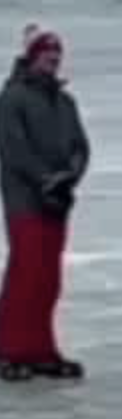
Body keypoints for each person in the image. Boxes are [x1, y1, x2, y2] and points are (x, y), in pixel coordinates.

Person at [0, 26, 90, 381]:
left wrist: (69, 177)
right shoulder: (12, 99)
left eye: (57, 55)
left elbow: (80, 147)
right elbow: (14, 150)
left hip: (57, 201)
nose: (53, 60)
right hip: (26, 200)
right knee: (27, 272)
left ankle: (40, 347)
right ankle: (10, 348)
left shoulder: (65, 103)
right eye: (46, 54)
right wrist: (45, 181)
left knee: (48, 278)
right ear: (32, 56)